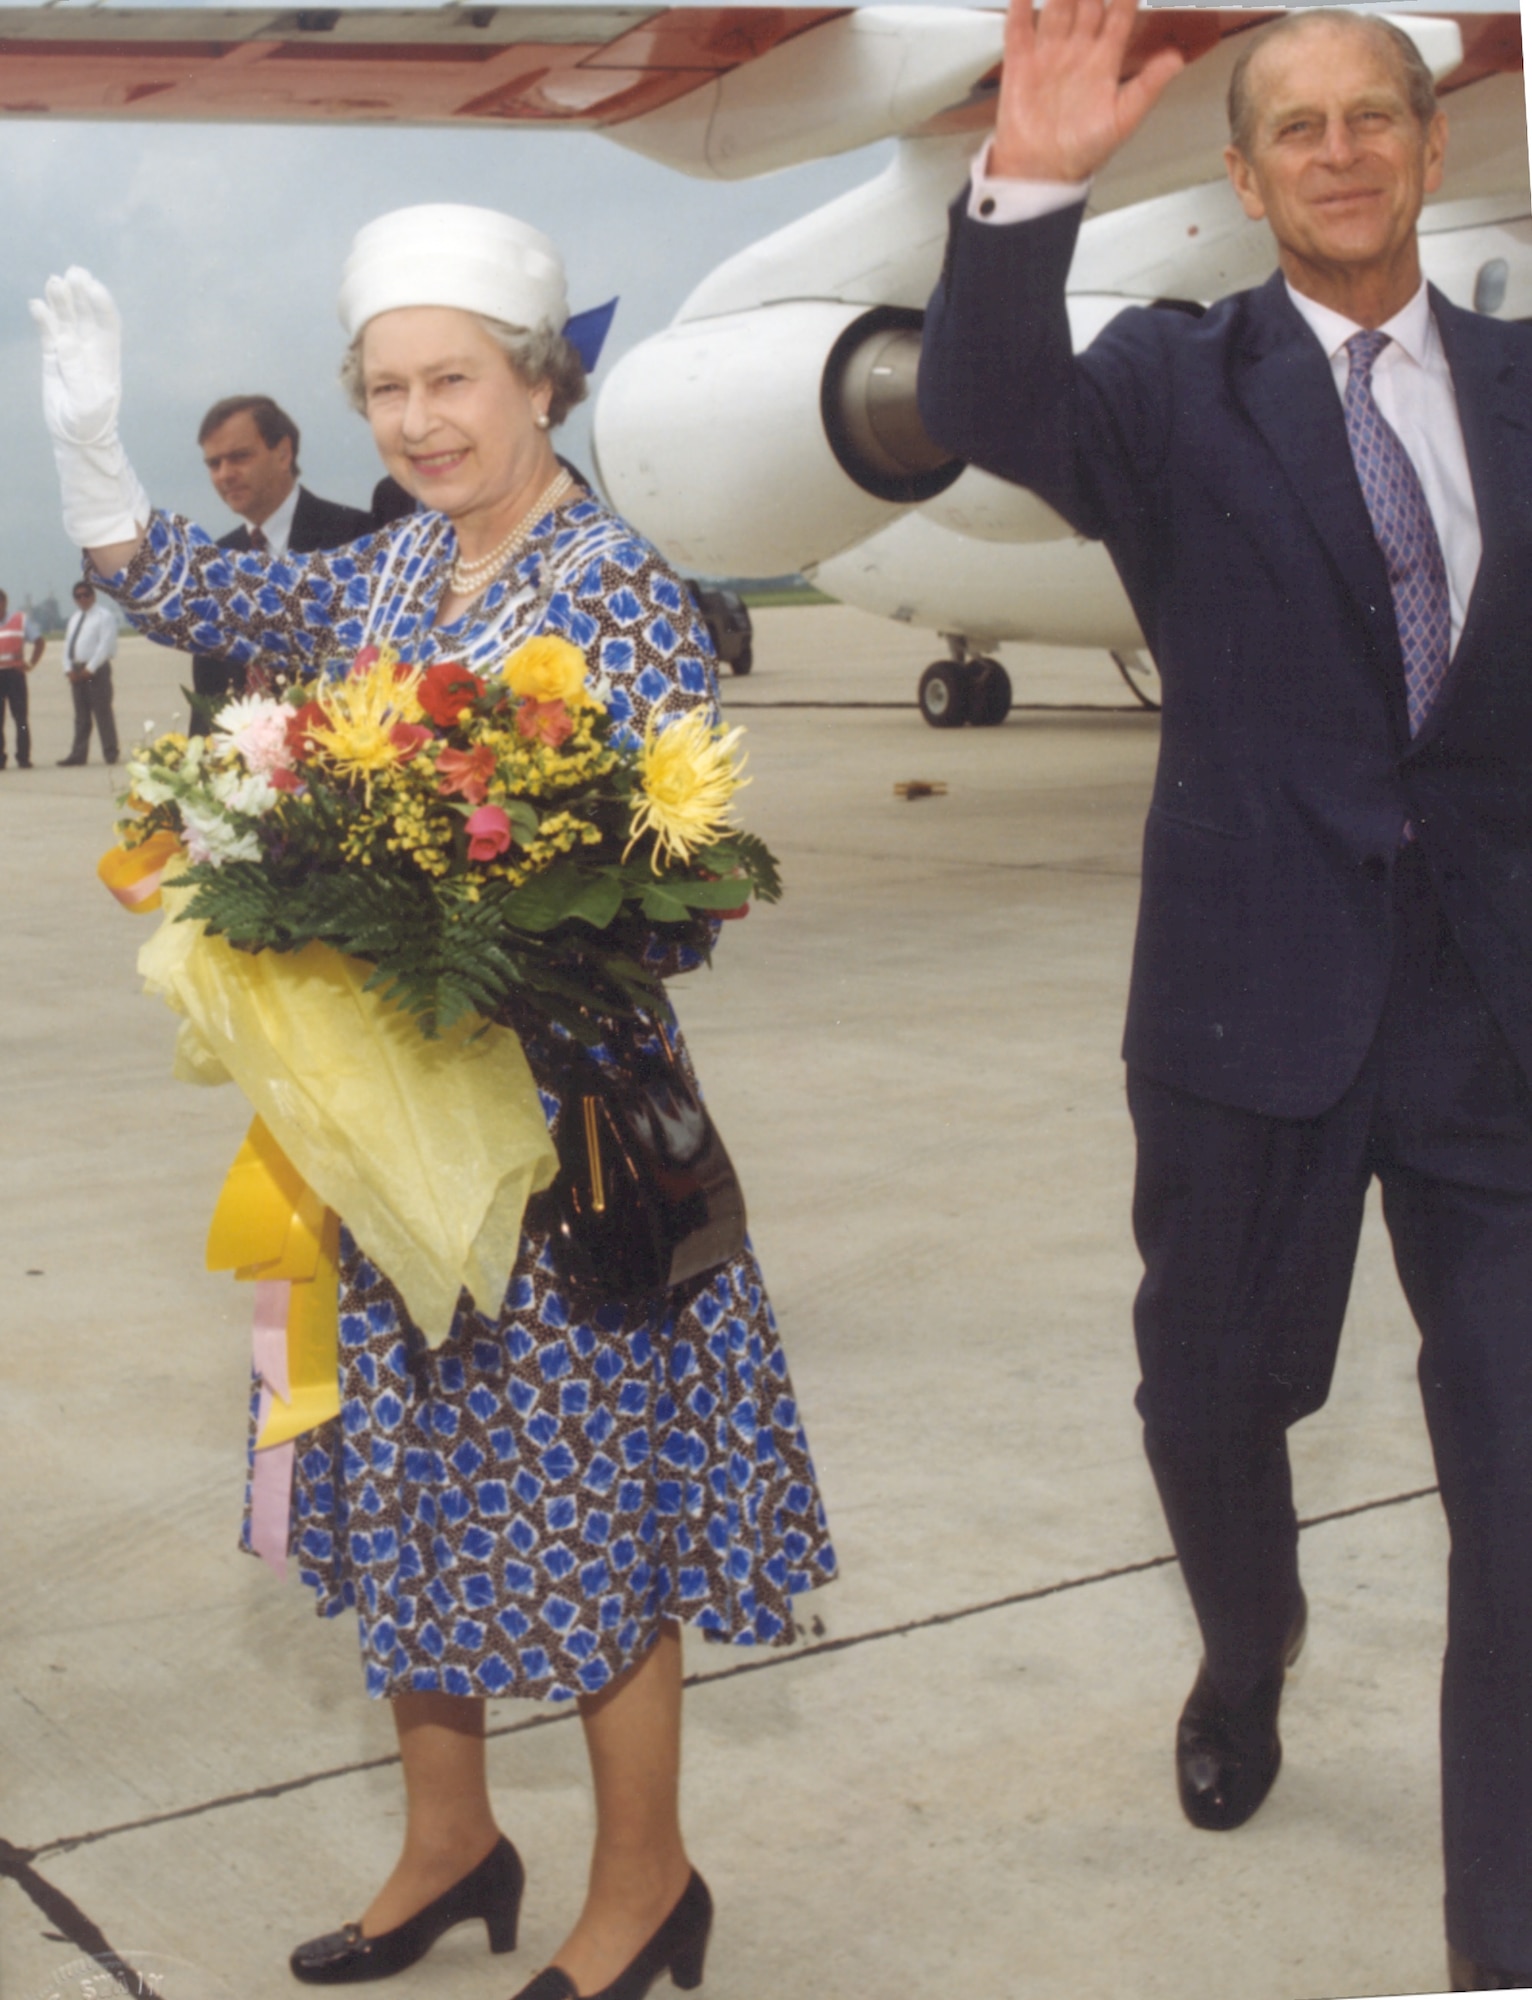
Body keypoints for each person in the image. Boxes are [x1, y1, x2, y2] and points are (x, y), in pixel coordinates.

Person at [33, 205, 836, 2000]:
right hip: (387, 1132)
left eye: (452, 380)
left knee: (588, 1511)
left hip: (562, 1149)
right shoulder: (388, 570)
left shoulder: (616, 588)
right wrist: (90, 454)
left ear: (539, 382)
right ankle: (452, 1841)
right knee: (409, 1483)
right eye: (386, 389)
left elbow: (673, 899)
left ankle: (647, 1882)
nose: (417, 421)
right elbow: (202, 591)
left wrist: (452, 904)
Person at [918, 1, 1532, 1987]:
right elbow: (976, 397)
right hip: (1246, 1009)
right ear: (1246, 178)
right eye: (1297, 129)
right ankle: (1244, 1646)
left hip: (1494, 1025)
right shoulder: (1166, 389)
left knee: (1519, 1494)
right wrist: (1029, 181)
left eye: (1374, 118)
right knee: (1214, 1397)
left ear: (1430, 148)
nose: (1340, 151)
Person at [190, 394, 371, 730]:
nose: (225, 474)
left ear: (284, 453)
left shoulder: (355, 536)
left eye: (239, 457)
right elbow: (208, 695)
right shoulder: (213, 561)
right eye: (214, 464)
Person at [57, 578, 119, 766]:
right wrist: (68, 669)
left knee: (102, 713)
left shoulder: (104, 616)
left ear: (93, 596)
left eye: (86, 595)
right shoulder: (74, 618)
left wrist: (90, 668)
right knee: (81, 717)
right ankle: (78, 754)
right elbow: (68, 646)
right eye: (78, 596)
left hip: (96, 670)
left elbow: (105, 645)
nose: (82, 599)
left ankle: (110, 752)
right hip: (77, 670)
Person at [0, 589, 44, 769]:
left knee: (21, 719)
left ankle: (23, 757)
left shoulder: (20, 620)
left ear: (5, 603)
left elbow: (39, 641)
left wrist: (31, 663)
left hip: (15, 675)